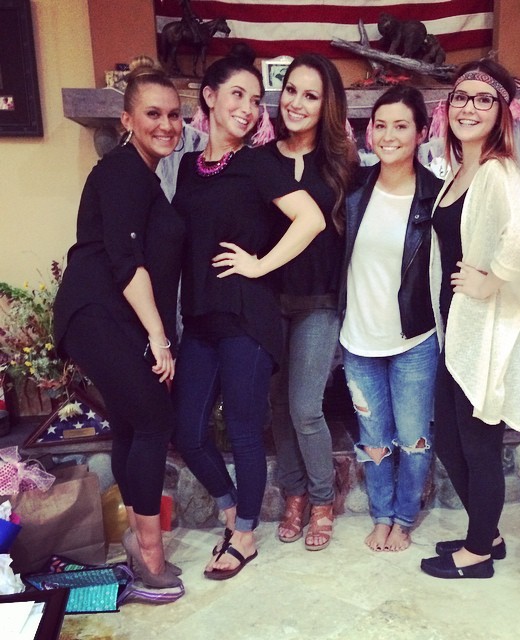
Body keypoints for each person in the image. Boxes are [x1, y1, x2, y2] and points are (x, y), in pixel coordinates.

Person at [171, 46, 326, 580]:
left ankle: (244, 537)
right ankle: (232, 509)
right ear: (209, 98)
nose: (248, 108)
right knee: (189, 432)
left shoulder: (258, 164)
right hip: (200, 318)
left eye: (256, 100)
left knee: (241, 429)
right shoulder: (188, 167)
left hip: (247, 318)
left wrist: (259, 265)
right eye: (237, 95)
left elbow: (311, 220)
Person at [53, 61, 185, 591]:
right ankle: (150, 554)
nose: (166, 125)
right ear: (127, 119)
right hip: (97, 312)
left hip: (110, 315)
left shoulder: (142, 176)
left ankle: (137, 538)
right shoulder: (123, 170)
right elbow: (127, 261)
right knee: (154, 419)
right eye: (153, 114)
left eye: (174, 115)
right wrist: (159, 337)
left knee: (133, 424)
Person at [420, 59, 520, 579]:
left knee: (477, 444)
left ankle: (479, 555)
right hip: (458, 330)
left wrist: (491, 281)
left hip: (485, 331)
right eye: (461, 97)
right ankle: (485, 533)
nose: (469, 108)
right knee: (451, 441)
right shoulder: (459, 172)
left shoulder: (496, 170)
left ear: (501, 112)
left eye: (483, 99)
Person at [339, 85, 442, 552]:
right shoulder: (353, 188)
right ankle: (381, 515)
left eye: (401, 126)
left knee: (414, 437)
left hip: (414, 340)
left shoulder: (435, 196)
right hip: (358, 339)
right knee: (374, 438)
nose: (388, 135)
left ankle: (404, 518)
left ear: (421, 132)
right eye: (380, 125)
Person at [264, 54, 357, 551]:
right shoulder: (262, 159)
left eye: (311, 95)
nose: (297, 102)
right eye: (291, 91)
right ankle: (294, 495)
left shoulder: (342, 164)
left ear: (327, 105)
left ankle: (322, 499)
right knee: (278, 405)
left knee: (304, 406)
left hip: (319, 302)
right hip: (269, 300)